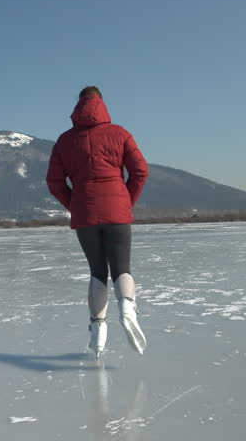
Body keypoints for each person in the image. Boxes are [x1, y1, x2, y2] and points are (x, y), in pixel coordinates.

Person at [47, 86, 149, 357]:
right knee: (121, 268)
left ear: (78, 105)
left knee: (97, 272)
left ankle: (98, 330)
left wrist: (76, 205)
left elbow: (54, 182)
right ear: (102, 103)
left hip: (85, 212)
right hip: (117, 208)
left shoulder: (64, 141)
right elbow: (140, 171)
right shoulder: (119, 133)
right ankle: (127, 307)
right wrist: (126, 201)